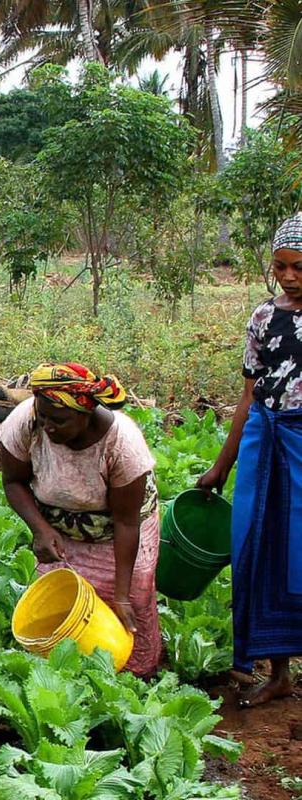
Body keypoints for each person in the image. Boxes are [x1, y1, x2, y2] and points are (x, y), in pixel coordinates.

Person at [197, 212, 302, 707]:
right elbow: (247, 395)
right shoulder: (263, 317)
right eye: (280, 266)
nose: (288, 276)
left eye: (298, 267)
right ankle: (277, 671)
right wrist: (222, 464)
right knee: (255, 547)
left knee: (298, 549)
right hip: (265, 436)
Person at [0, 363, 162, 676]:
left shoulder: (122, 444)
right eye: (42, 415)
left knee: (129, 608)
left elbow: (127, 523)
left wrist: (121, 595)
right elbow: (13, 482)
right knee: (61, 603)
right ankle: (65, 676)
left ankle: (138, 678)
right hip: (60, 530)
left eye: (59, 420)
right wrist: (41, 529)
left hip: (118, 533)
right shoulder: (26, 422)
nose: (48, 426)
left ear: (85, 414)